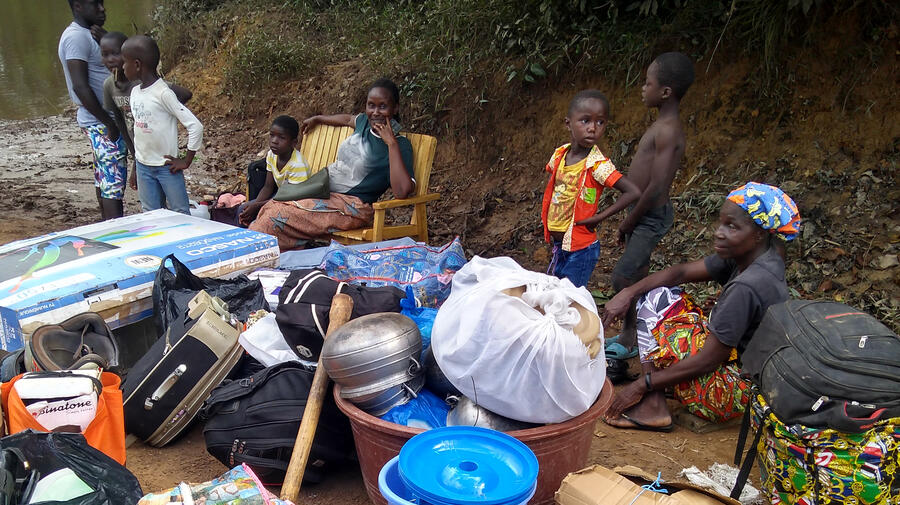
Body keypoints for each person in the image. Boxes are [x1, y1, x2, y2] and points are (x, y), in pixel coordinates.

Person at [601, 182, 801, 431]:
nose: (719, 232)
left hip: (732, 393)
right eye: (721, 223)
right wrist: (628, 292)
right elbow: (680, 272)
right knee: (660, 294)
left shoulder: (748, 286)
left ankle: (653, 404)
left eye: (732, 227)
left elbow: (708, 360)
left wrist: (643, 384)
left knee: (654, 301)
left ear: (759, 234)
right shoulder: (756, 259)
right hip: (750, 377)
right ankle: (660, 392)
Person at [249, 78, 415, 251]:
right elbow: (347, 119)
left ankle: (256, 256)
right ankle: (271, 255)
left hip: (351, 206)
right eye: (371, 105)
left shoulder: (400, 145)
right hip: (322, 191)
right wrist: (318, 118)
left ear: (395, 108)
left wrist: (391, 144)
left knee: (275, 217)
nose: (375, 112)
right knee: (270, 207)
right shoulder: (364, 123)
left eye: (383, 106)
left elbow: (401, 191)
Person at [609, 52, 695, 357]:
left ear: (666, 92)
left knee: (623, 276)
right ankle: (630, 337)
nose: (643, 89)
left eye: (648, 83)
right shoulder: (661, 126)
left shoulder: (669, 131)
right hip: (640, 213)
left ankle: (637, 335)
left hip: (649, 215)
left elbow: (658, 187)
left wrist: (629, 222)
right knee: (637, 273)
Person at [541, 90, 641, 288]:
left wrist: (598, 217)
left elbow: (633, 192)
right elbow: (557, 190)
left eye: (600, 122)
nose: (593, 128)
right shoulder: (560, 155)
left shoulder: (598, 166)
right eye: (585, 121)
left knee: (570, 300)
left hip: (581, 250)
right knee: (556, 296)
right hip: (560, 246)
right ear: (568, 123)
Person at [59, 0, 128, 220]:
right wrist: (109, 123)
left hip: (102, 120)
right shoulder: (76, 37)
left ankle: (106, 227)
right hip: (101, 121)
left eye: (102, 3)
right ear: (78, 6)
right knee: (112, 182)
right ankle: (115, 231)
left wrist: (106, 38)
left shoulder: (90, 35)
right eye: (94, 4)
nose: (102, 8)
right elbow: (79, 85)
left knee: (105, 176)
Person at [100, 31, 193, 193]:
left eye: (117, 54)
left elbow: (185, 94)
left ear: (133, 60)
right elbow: (120, 122)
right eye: (105, 55)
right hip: (141, 152)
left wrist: (164, 114)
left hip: (159, 153)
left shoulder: (145, 84)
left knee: (172, 197)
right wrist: (135, 157)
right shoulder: (109, 86)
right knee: (150, 201)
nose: (111, 60)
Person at [121, 35, 203, 215]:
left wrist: (186, 161)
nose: (122, 67)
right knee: (151, 214)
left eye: (124, 62)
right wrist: (136, 167)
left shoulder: (163, 93)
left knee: (180, 213)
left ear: (137, 64)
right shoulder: (134, 92)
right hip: (143, 167)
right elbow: (140, 135)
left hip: (167, 167)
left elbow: (195, 126)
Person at [238, 116, 311, 226]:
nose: (274, 141)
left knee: (259, 222)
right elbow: (268, 186)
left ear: (293, 142)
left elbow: (291, 200)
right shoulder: (272, 155)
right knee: (242, 210)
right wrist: (255, 205)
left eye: (281, 138)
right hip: (280, 197)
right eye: (272, 135)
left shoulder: (297, 165)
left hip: (296, 203)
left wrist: (259, 207)